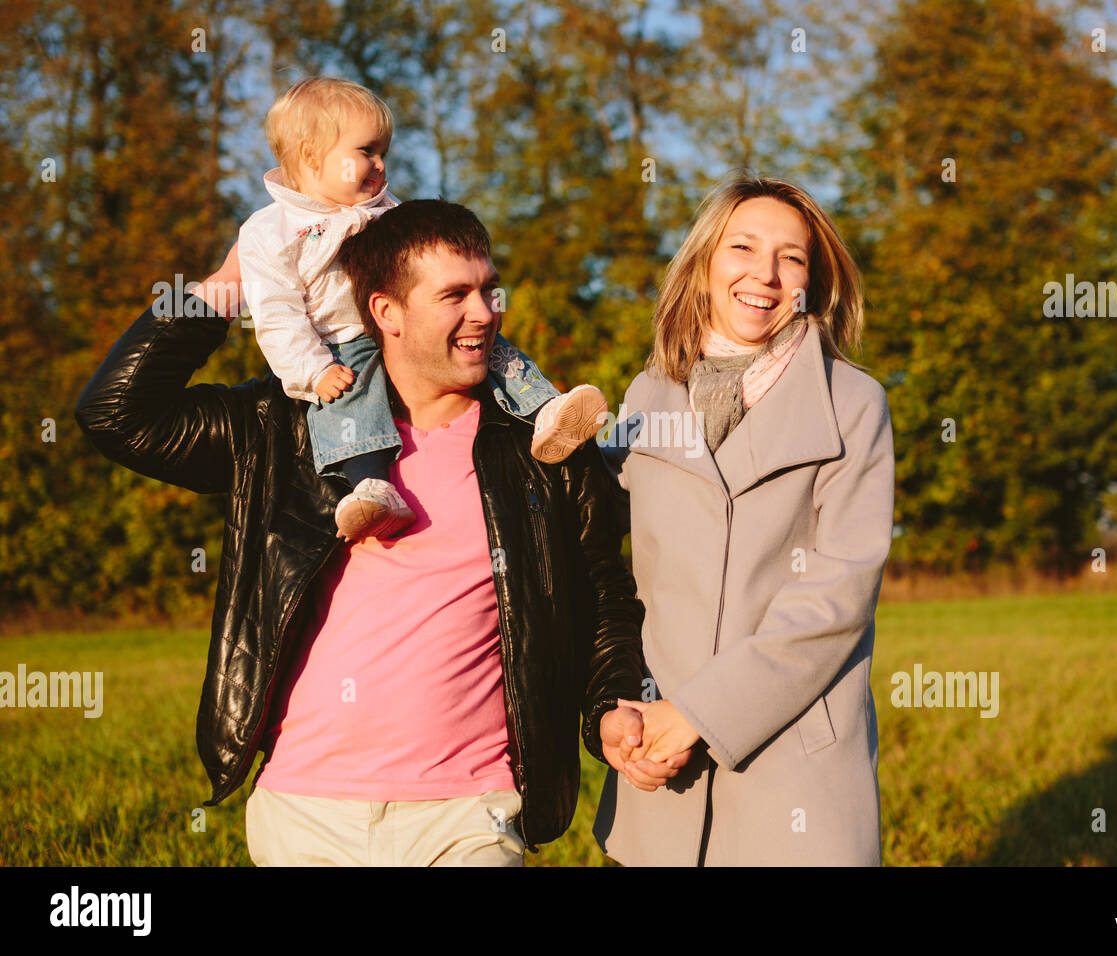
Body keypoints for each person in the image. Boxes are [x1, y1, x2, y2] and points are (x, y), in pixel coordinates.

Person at [75, 198, 691, 866]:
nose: (484, 312)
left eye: (488, 288)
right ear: (385, 312)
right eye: (454, 294)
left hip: (471, 812)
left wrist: (608, 706)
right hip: (305, 810)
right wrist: (237, 274)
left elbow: (602, 593)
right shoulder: (284, 427)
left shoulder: (540, 450)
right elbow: (117, 415)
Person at [592, 175, 896, 866]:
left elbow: (835, 599)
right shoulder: (647, 392)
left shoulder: (854, 402)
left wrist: (697, 714)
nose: (765, 272)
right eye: (743, 246)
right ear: (704, 262)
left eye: (791, 257)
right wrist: (616, 708)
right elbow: (599, 564)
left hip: (791, 764)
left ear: (811, 281)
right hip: (657, 759)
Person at [240, 76, 608, 543]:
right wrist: (311, 371)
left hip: (409, 329)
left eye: (383, 153)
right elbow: (276, 312)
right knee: (348, 401)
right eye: (368, 151)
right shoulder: (271, 231)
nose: (380, 164)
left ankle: (547, 413)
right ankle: (371, 486)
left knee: (495, 349)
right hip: (339, 341)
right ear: (312, 154)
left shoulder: (385, 211)